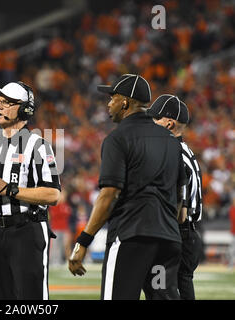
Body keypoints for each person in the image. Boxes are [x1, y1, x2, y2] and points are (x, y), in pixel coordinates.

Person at [68, 74, 187, 300]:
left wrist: (84, 240)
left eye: (112, 98)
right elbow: (179, 198)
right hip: (168, 240)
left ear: (125, 102)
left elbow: (109, 194)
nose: (108, 104)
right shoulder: (173, 141)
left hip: (131, 237)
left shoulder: (118, 138)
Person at [0, 81, 61, 300]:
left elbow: (53, 194)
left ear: (24, 108)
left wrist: (8, 190)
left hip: (25, 231)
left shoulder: (38, 145)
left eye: (6, 102)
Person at [146, 94, 204, 299]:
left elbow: (180, 209)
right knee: (176, 287)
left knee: (163, 291)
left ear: (169, 124)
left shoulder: (173, 153)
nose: (150, 123)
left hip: (178, 232)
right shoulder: (185, 150)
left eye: (155, 119)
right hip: (187, 233)